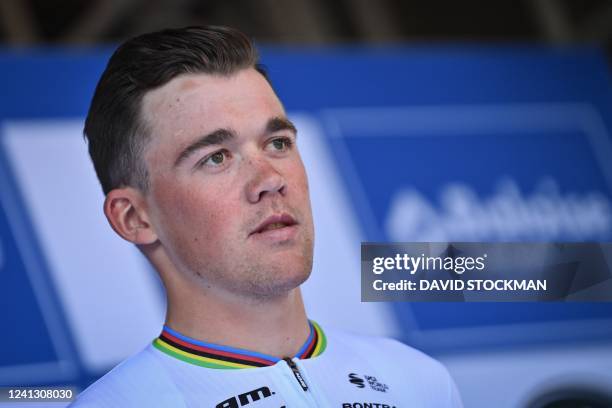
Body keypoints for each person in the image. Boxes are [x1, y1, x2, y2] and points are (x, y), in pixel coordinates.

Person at [70, 25, 462, 407]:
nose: (270, 179)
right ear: (134, 217)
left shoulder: (418, 381)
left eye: (277, 143)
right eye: (216, 158)